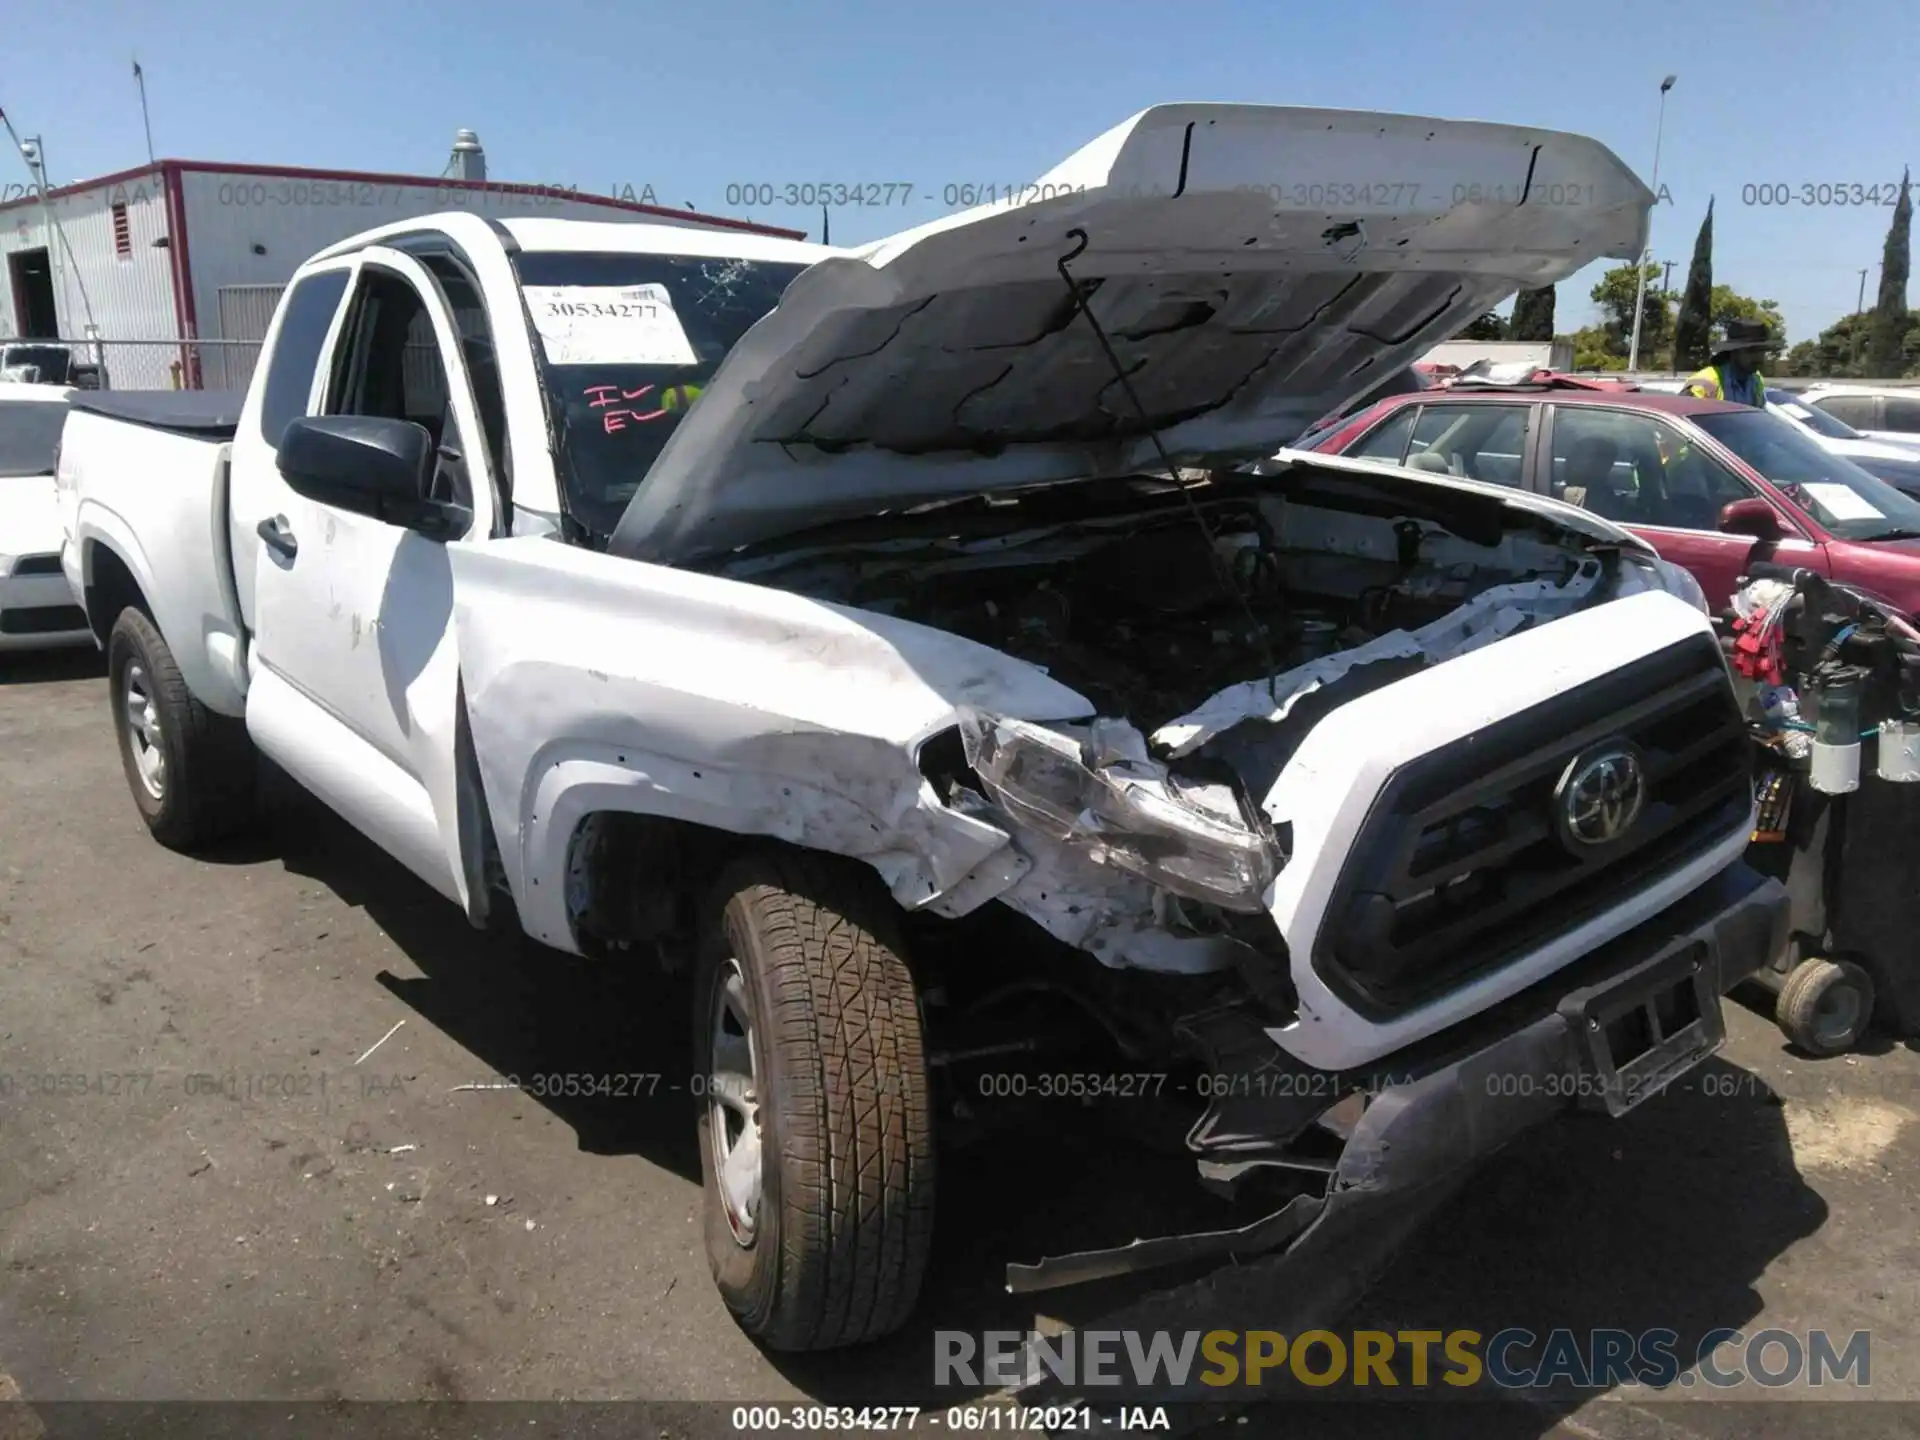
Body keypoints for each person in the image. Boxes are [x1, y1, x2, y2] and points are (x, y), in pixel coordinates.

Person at [1681, 318, 1772, 406]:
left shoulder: (1756, 380)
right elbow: (1680, 417)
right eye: (1751, 351)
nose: (1758, 357)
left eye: (1761, 351)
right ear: (1733, 351)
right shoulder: (1705, 384)